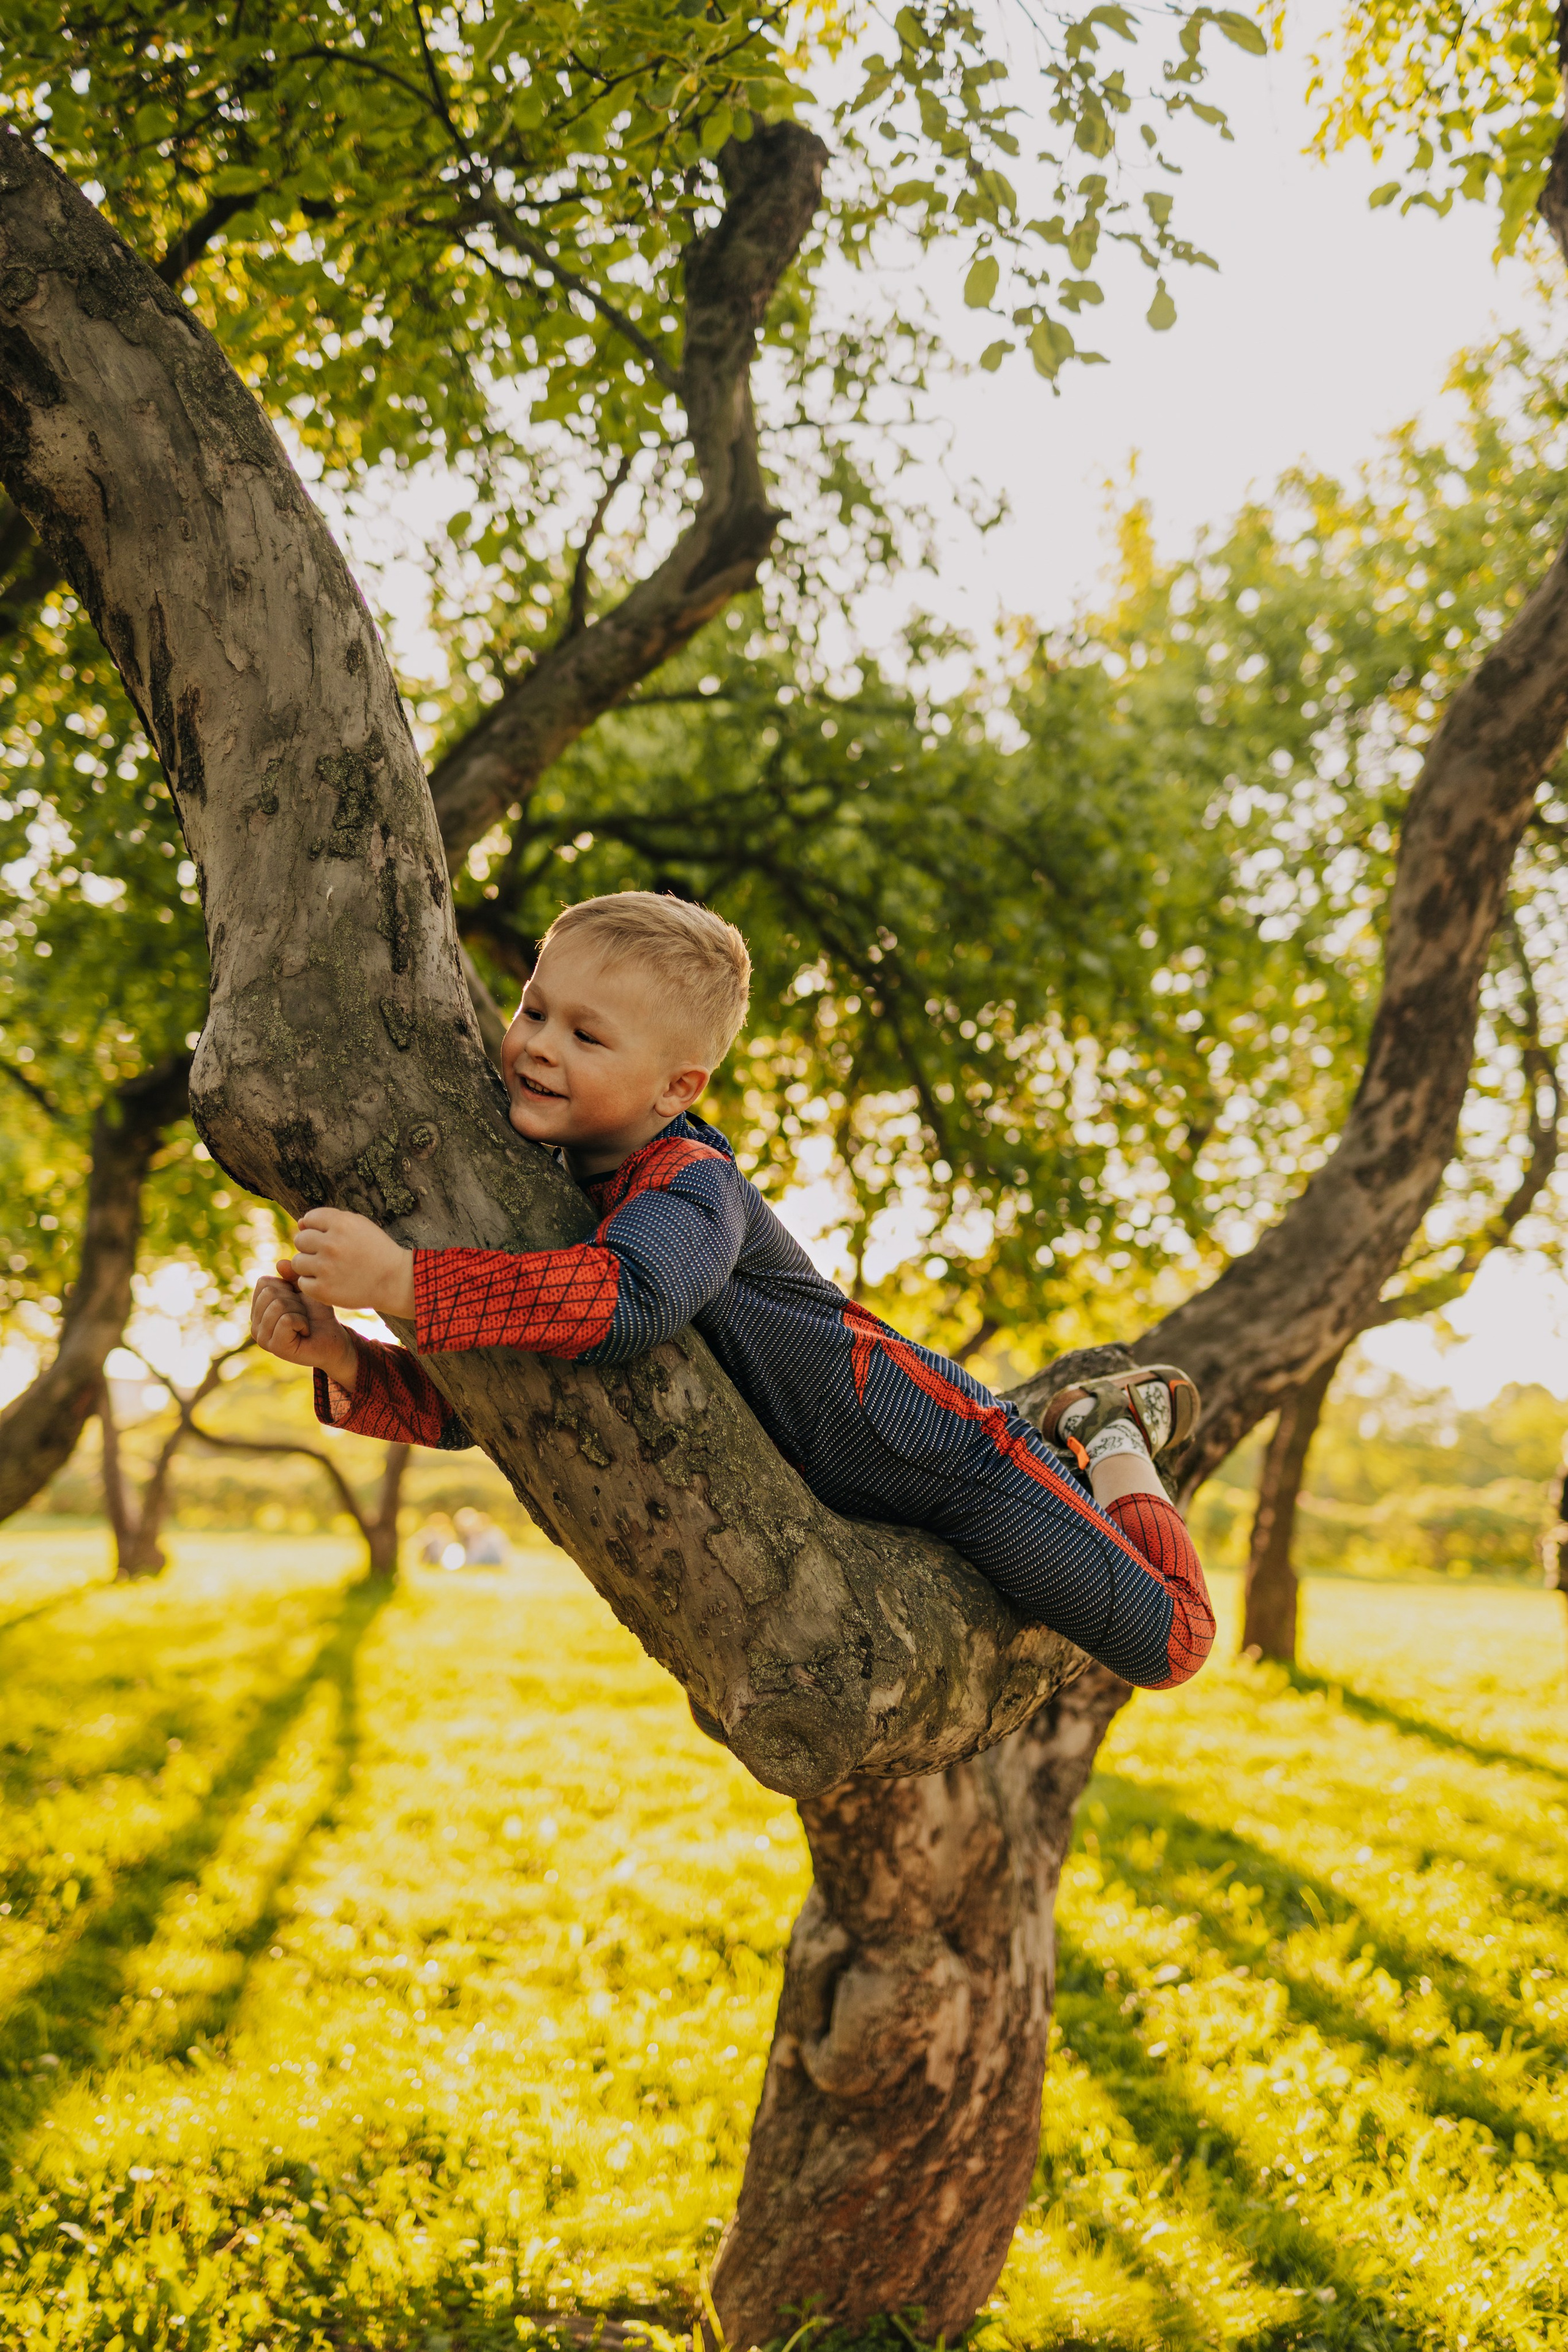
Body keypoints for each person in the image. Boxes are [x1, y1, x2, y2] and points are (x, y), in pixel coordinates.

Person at [251, 892, 1213, 1690]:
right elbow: (507, 1402)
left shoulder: (689, 1182)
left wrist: (407, 1281)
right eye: (535, 1011)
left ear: (677, 1088)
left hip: (953, 1464)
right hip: (858, 1486)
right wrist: (342, 1356)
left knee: (1171, 1643)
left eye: (589, 1035)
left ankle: (1110, 1432)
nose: (540, 1045)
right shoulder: (553, 1204)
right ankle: (1081, 1438)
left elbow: (628, 1301)